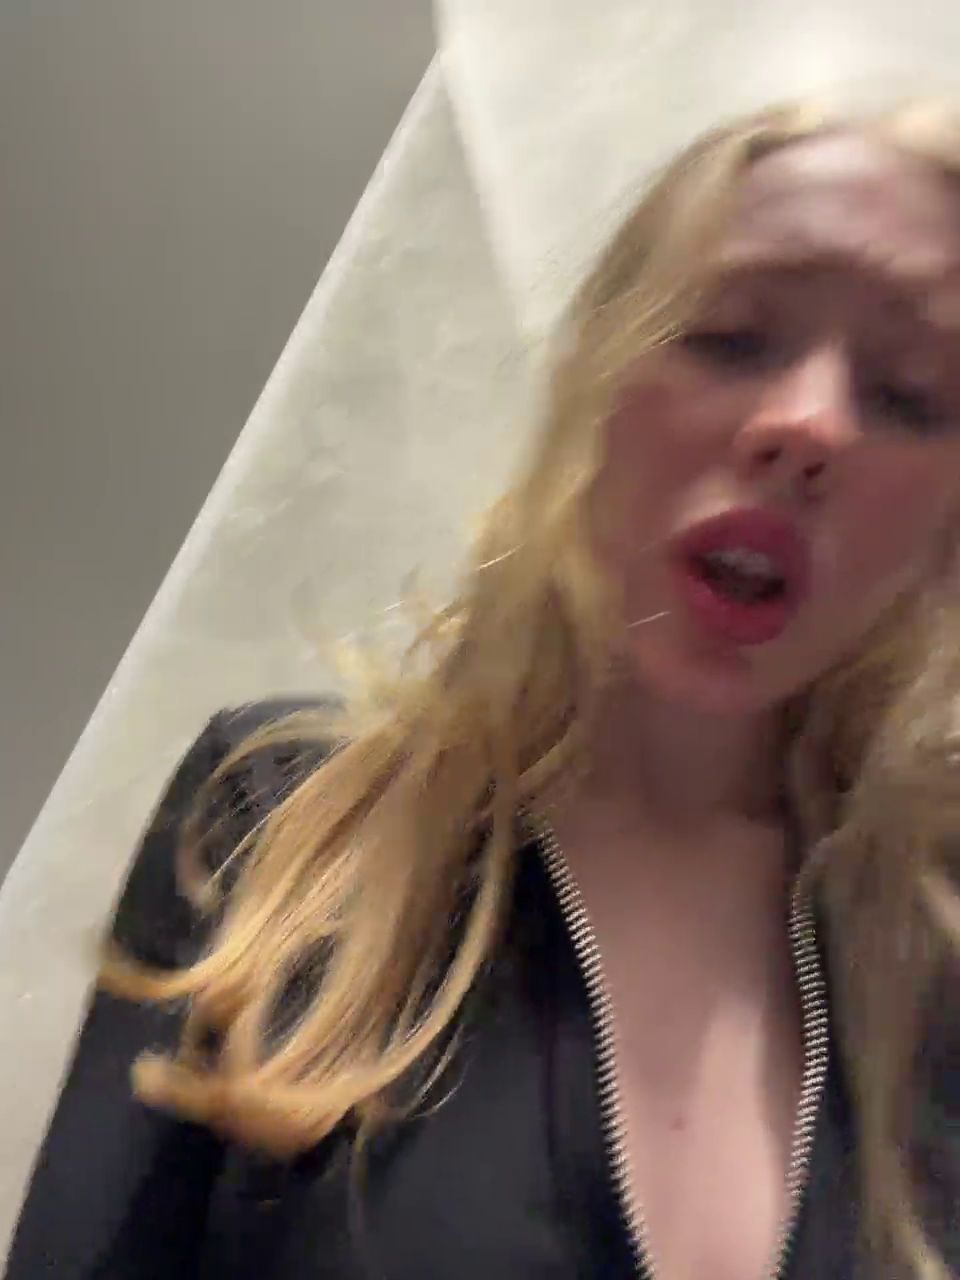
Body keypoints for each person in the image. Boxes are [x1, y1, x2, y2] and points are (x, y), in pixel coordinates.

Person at [7, 98, 960, 1280]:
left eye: (908, 393)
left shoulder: (932, 952)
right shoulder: (291, 828)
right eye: (731, 336)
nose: (808, 423)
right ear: (592, 381)